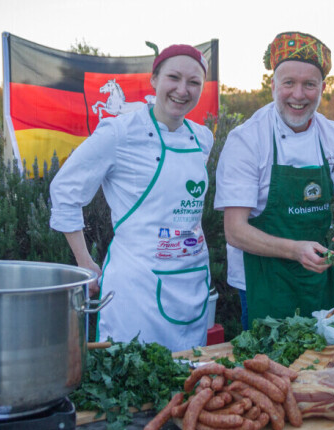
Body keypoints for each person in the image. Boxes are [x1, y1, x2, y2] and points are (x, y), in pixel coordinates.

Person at [50, 44, 214, 352]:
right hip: (135, 290)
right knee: (132, 384)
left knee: (186, 386)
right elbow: (65, 190)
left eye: (194, 82)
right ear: (154, 80)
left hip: (190, 282)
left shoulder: (202, 138)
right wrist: (85, 262)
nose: (182, 90)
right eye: (173, 77)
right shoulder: (119, 133)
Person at [214, 32, 334, 328]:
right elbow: (235, 231)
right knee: (268, 365)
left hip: (317, 276)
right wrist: (295, 250)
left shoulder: (332, 135)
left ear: (322, 88)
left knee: (320, 364)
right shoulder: (247, 139)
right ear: (273, 86)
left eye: (309, 84)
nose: (299, 95)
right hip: (262, 280)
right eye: (289, 83)